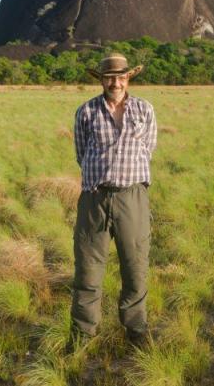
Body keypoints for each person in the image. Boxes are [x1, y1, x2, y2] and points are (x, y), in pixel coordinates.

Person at [69, 52, 156, 350]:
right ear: (101, 80)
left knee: (135, 265)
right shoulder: (86, 112)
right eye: (109, 77)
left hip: (132, 197)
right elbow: (81, 154)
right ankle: (82, 333)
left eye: (120, 76)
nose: (115, 82)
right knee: (88, 269)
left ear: (129, 77)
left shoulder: (144, 110)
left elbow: (149, 148)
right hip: (95, 197)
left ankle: (136, 329)